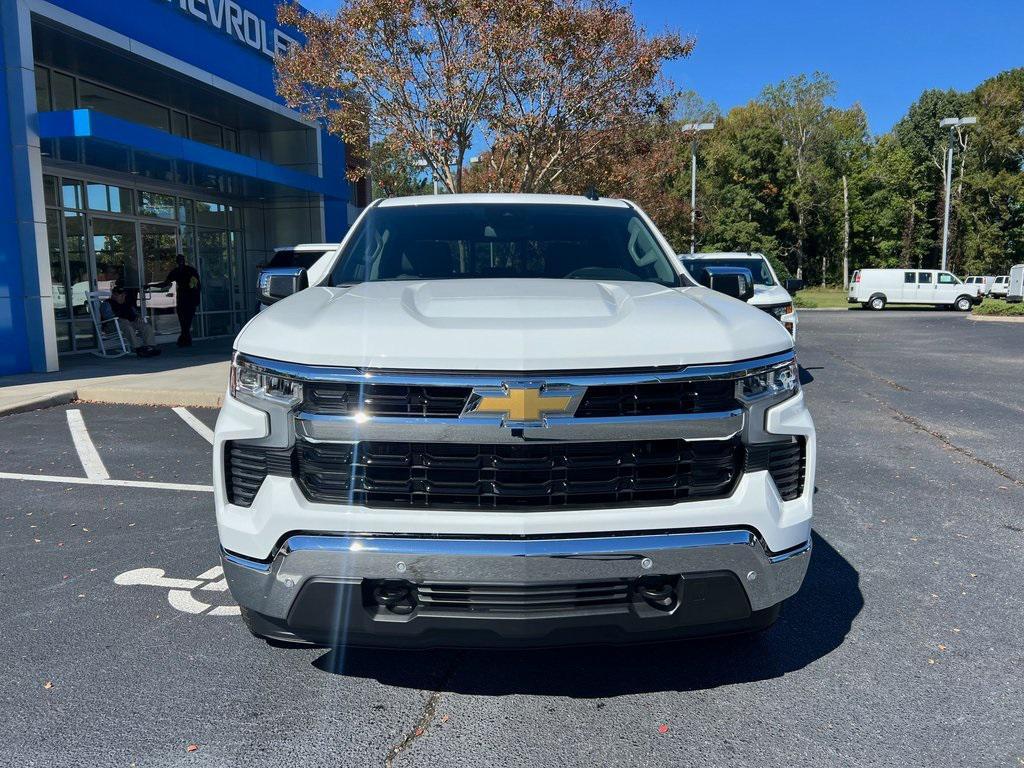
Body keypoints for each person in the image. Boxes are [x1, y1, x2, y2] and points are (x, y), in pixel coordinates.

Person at [155, 254, 201, 347]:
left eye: (182, 260)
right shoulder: (176, 272)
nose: (180, 262)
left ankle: (184, 340)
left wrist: (196, 299)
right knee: (183, 320)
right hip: (182, 298)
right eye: (179, 260)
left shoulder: (190, 270)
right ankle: (185, 340)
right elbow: (166, 283)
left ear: (184, 260)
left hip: (190, 298)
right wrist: (151, 286)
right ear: (177, 261)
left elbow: (197, 285)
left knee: (187, 320)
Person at [101, 286, 160, 357]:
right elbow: (107, 316)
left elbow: (135, 313)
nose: (123, 297)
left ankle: (150, 347)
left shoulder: (127, 303)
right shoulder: (107, 304)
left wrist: (138, 316)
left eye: (124, 295)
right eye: (121, 295)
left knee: (145, 326)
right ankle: (138, 349)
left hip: (129, 323)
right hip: (112, 325)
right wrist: (120, 319)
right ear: (114, 295)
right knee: (127, 326)